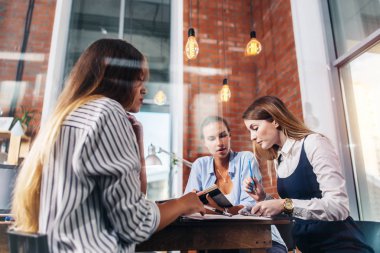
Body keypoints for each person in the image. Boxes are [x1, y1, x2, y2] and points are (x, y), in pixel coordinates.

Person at [11, 39, 205, 252]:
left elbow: (133, 200)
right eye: (138, 80)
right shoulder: (107, 111)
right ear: (116, 80)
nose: (144, 90)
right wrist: (183, 203)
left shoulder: (67, 115)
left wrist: (137, 141)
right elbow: (135, 225)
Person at [242, 95, 374, 253]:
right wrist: (264, 198)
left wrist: (284, 204)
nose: (252, 137)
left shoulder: (314, 143)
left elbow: (338, 206)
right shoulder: (281, 159)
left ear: (275, 120)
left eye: (255, 128)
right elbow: (294, 209)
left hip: (340, 246)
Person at [185, 116, 287, 253]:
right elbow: (189, 205)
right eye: (211, 138)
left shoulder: (246, 159)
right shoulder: (200, 165)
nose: (219, 142)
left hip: (259, 237)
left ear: (230, 136)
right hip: (218, 240)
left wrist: (219, 211)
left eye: (223, 136)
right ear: (204, 142)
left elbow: (253, 207)